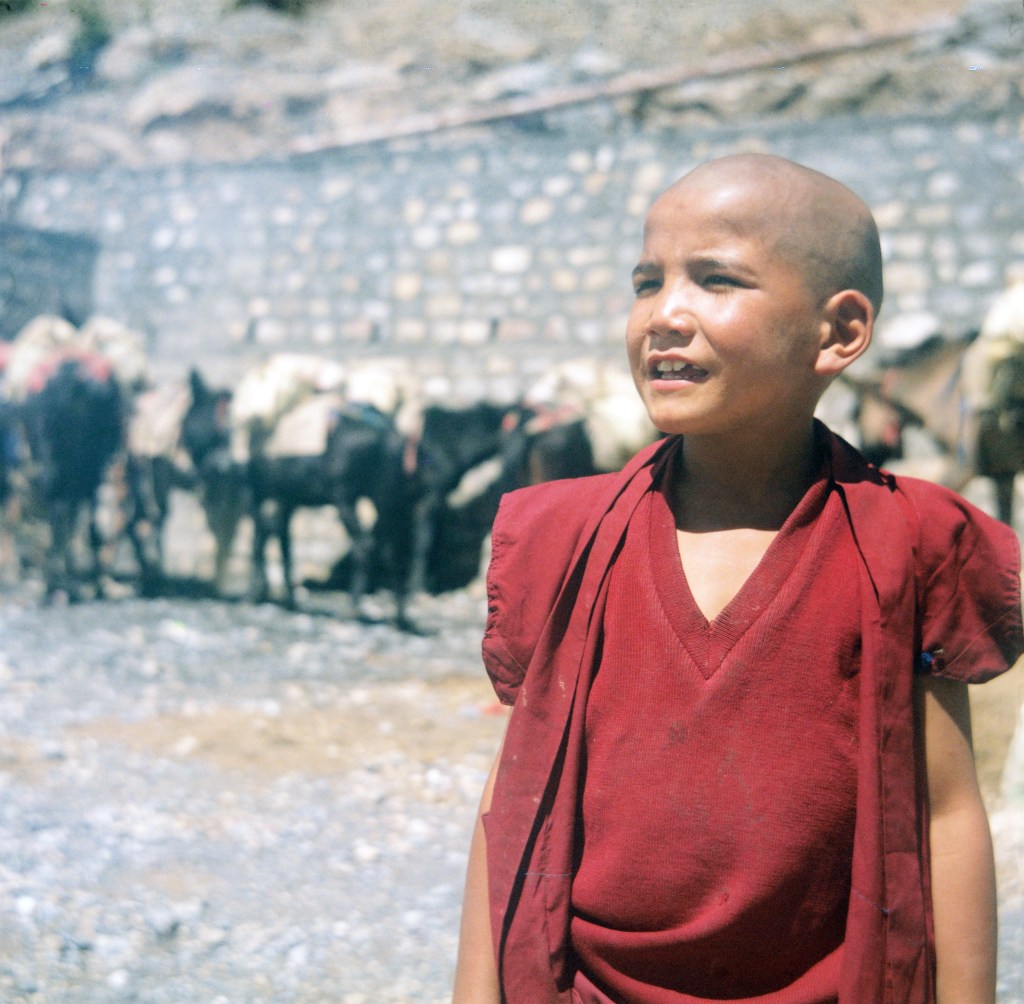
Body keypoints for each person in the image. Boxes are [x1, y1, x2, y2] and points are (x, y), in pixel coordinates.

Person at [451, 153, 1024, 1004]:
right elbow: (513, 803)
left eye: (716, 280)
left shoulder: (910, 542)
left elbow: (945, 811)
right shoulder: (564, 536)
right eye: (647, 283)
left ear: (839, 332)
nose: (664, 315)